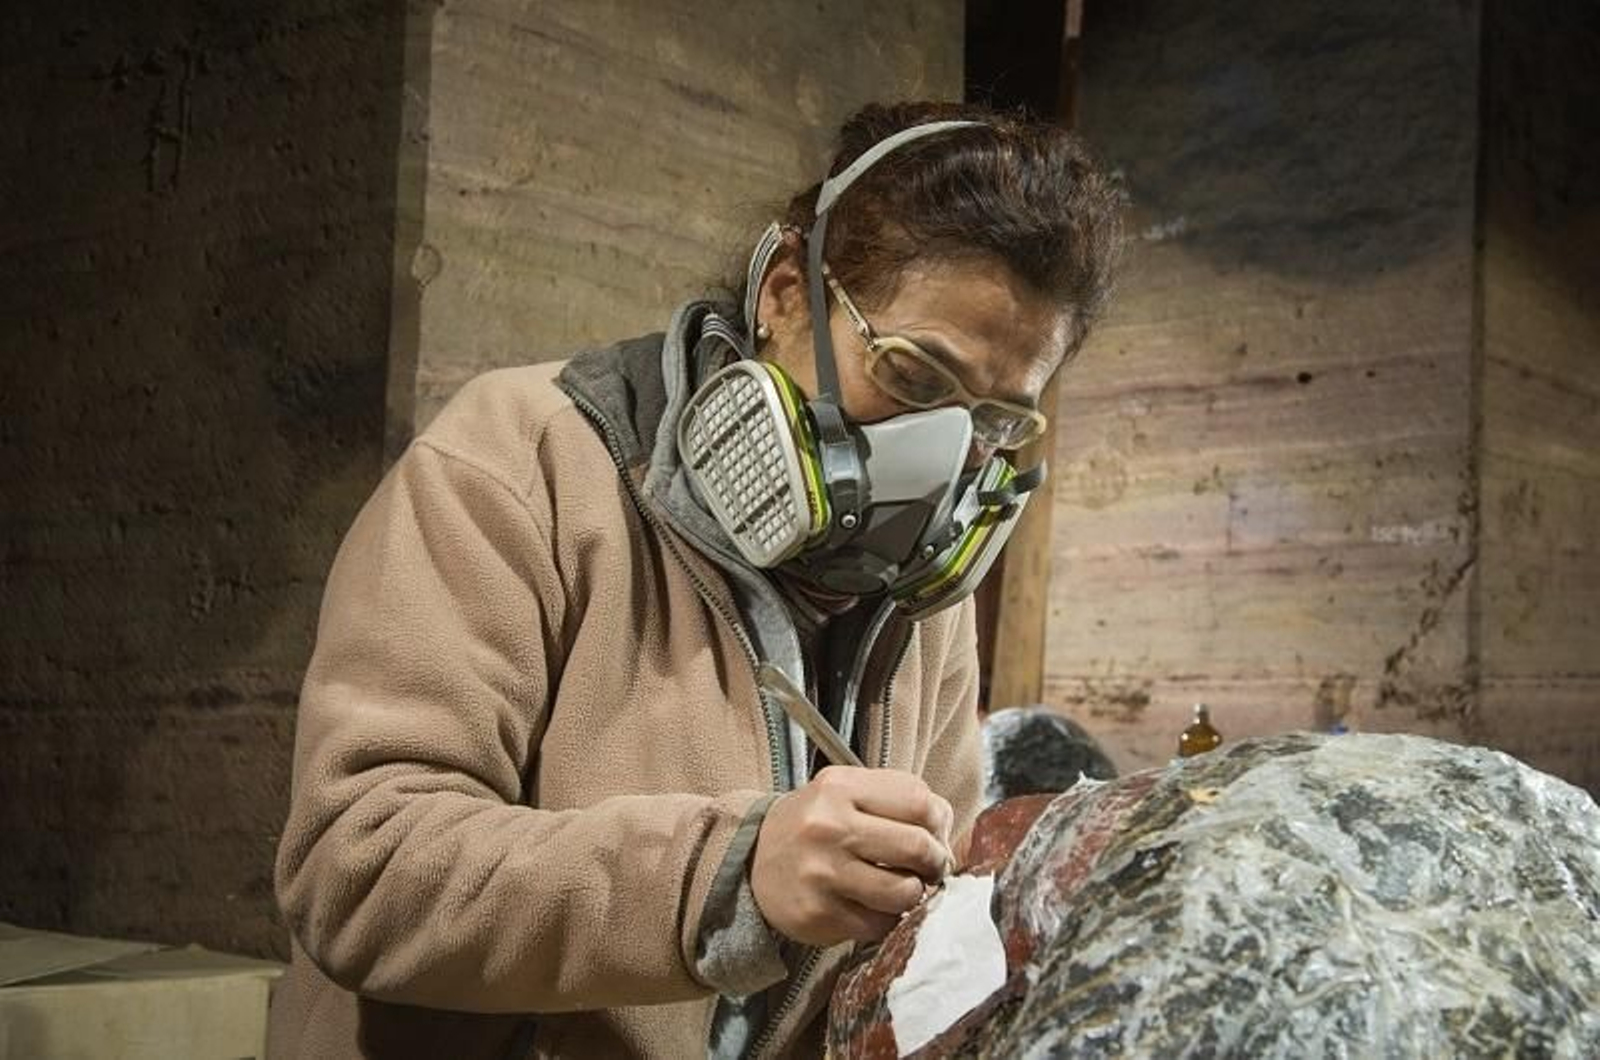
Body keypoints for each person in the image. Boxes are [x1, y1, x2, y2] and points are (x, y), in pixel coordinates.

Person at [267, 100, 1123, 1059]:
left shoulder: (925, 601)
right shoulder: (519, 465)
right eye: (914, 378)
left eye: (995, 422)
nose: (944, 465)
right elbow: (358, 870)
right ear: (786, 293)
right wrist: (728, 876)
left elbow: (904, 954)